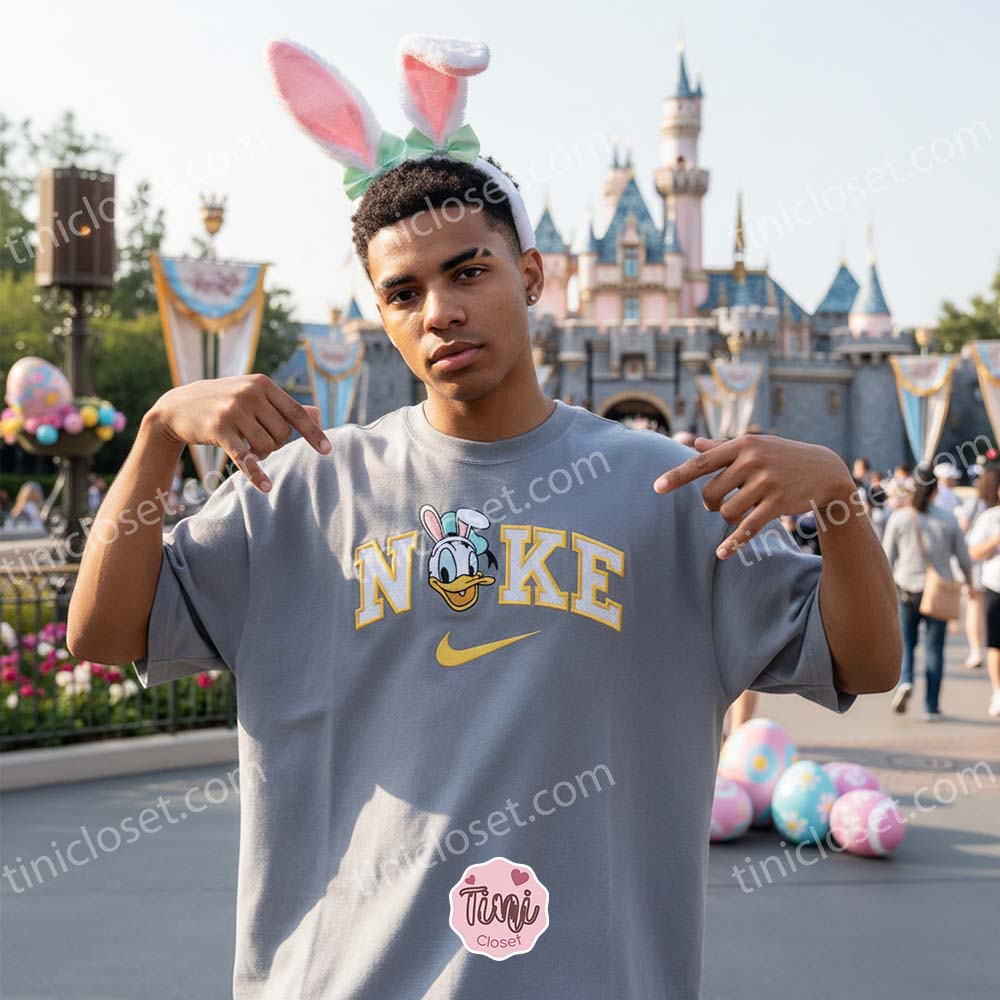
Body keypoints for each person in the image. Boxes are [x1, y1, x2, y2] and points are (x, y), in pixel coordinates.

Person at [66, 34, 902, 999]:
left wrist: (839, 500)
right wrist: (156, 435)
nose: (440, 312)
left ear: (534, 275)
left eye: (469, 272)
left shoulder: (670, 489)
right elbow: (102, 633)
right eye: (404, 292)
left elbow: (865, 665)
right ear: (381, 315)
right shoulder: (305, 489)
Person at [882, 466, 973, 720]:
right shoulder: (947, 519)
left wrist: (885, 592)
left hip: (906, 589)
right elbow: (963, 558)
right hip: (938, 593)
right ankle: (931, 707)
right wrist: (969, 585)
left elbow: (886, 558)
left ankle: (906, 681)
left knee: (906, 644)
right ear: (935, 491)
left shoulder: (899, 518)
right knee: (934, 649)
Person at [963, 472, 1000, 717]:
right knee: (996, 645)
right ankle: (998, 691)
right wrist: (996, 540)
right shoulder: (990, 518)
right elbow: (973, 552)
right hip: (995, 586)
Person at [957, 465, 1000, 670]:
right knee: (982, 609)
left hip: (979, 565)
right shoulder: (986, 509)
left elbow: (963, 529)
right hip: (982, 564)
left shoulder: (977, 504)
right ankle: (980, 649)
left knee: (977, 607)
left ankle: (976, 650)